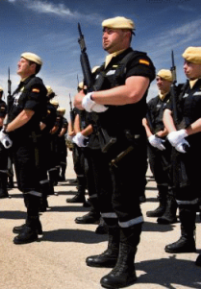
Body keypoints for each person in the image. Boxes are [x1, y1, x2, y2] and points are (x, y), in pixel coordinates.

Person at [73, 16, 154, 288]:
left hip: (124, 142)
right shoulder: (98, 70)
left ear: (127, 34)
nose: (104, 35)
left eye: (110, 31)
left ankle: (126, 265)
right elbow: (78, 98)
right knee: (105, 199)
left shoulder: (137, 60)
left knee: (124, 202)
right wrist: (86, 100)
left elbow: (132, 92)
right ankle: (112, 249)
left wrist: (94, 99)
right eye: (103, 31)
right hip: (99, 142)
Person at [0, 52, 48, 244]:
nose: (19, 64)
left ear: (33, 67)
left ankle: (32, 226)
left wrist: (6, 129)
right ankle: (32, 221)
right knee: (24, 182)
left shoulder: (35, 84)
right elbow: (13, 112)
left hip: (30, 142)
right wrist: (7, 127)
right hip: (20, 141)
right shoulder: (22, 86)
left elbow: (27, 114)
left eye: (23, 62)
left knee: (30, 183)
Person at [162, 47, 201, 258]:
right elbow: (168, 111)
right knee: (184, 195)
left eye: (190, 63)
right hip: (182, 149)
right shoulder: (181, 88)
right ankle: (187, 238)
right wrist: (173, 134)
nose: (185, 67)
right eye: (184, 63)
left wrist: (185, 132)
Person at [143, 69, 175, 222]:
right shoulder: (153, 102)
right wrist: (150, 136)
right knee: (158, 173)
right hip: (153, 143)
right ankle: (162, 205)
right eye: (157, 79)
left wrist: (162, 134)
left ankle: (171, 210)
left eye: (162, 79)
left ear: (170, 81)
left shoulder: (175, 99)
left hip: (169, 142)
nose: (159, 82)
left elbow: (178, 119)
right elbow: (145, 120)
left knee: (172, 176)